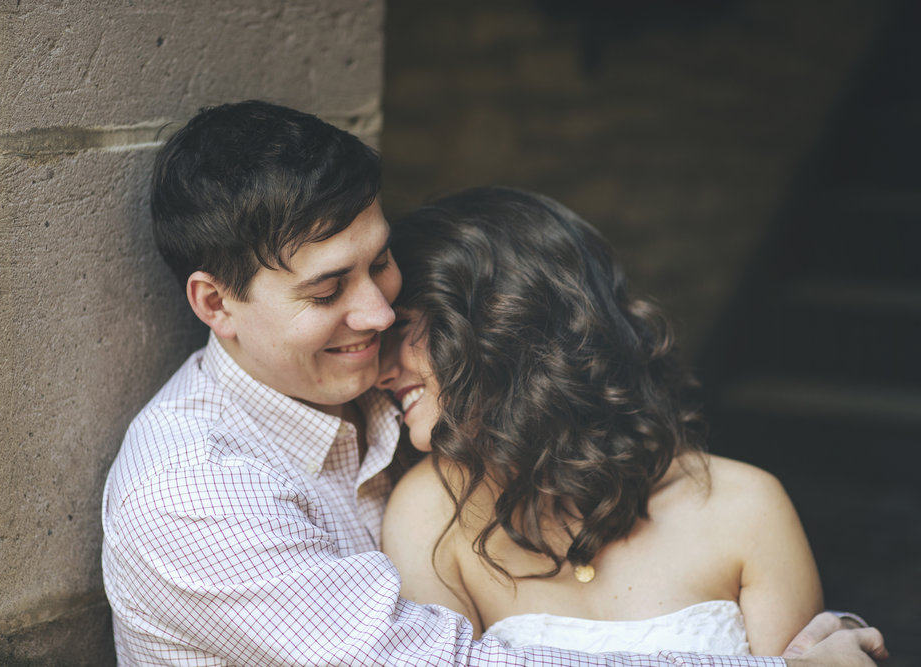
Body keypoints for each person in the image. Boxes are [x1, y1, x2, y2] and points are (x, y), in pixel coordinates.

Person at [101, 99, 886, 666]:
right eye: (328, 288)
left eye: (381, 264)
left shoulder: (383, 394)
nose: (376, 314)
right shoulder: (192, 494)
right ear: (215, 302)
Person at [377, 187, 882, 656]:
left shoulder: (748, 507)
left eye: (402, 329)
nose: (380, 370)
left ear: (500, 328)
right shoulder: (430, 514)